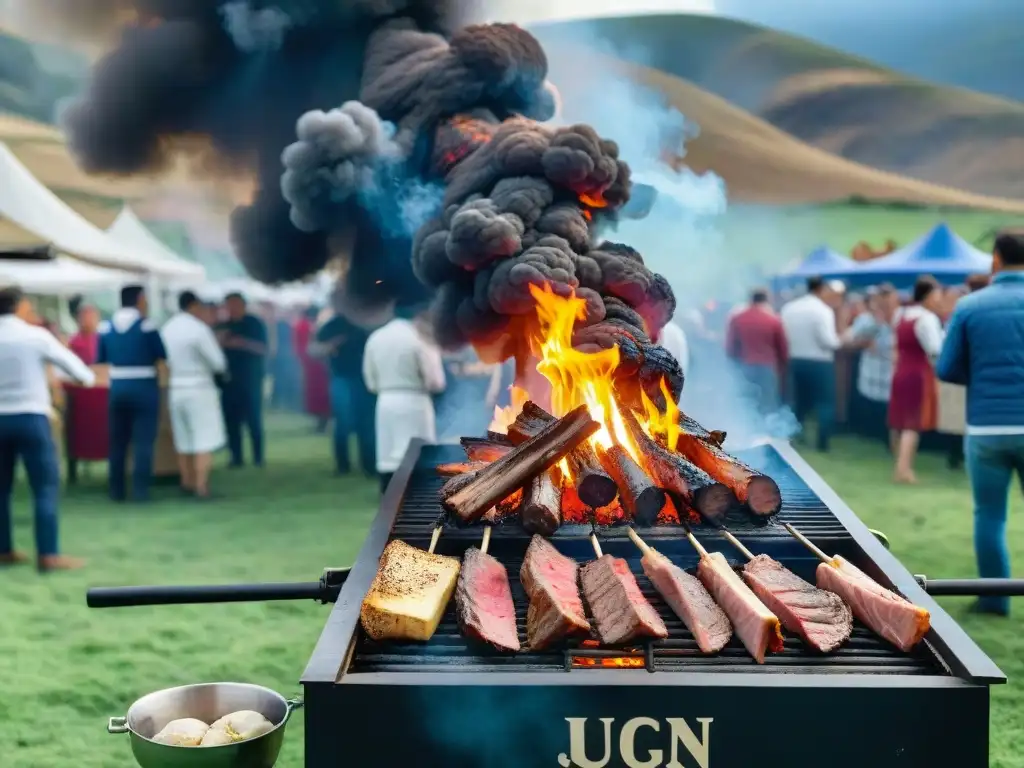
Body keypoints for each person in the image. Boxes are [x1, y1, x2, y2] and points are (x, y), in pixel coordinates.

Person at [936, 232, 1024, 616]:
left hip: (986, 427)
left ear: (996, 260)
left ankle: (995, 598)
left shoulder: (970, 305)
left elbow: (946, 367)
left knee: (989, 515)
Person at [0, 286, 94, 571]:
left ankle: (4, 549)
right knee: (44, 486)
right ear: (20, 306)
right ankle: (48, 554)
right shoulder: (35, 336)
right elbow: (80, 373)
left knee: (1, 489)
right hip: (31, 417)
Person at [362, 304, 446, 493]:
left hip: (386, 401)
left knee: (388, 457)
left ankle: (388, 503)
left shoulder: (376, 337)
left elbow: (370, 381)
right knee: (418, 457)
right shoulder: (421, 338)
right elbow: (436, 381)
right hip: (416, 402)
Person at [98, 285, 167, 503]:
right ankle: (140, 491)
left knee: (117, 441)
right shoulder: (147, 325)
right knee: (143, 441)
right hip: (144, 384)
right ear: (139, 299)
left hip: (117, 385)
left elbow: (100, 359)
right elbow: (162, 355)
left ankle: (116, 490)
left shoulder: (106, 327)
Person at [161, 291, 228, 499]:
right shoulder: (199, 330)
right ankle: (201, 486)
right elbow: (218, 363)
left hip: (175, 387)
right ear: (194, 306)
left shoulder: (167, 329)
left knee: (183, 440)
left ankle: (186, 481)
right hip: (199, 387)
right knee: (203, 439)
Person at [888, 275, 945, 484]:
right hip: (918, 373)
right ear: (928, 295)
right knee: (912, 423)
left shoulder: (900, 314)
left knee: (899, 420)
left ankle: (898, 463)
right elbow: (935, 349)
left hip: (900, 370)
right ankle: (904, 469)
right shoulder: (927, 318)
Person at [311, 309, 375, 476]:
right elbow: (314, 350)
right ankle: (343, 465)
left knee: (366, 423)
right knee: (343, 422)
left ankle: (369, 464)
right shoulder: (334, 325)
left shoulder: (368, 322)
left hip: (365, 379)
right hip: (342, 377)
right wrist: (332, 345)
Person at [780, 276, 841, 451]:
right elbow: (828, 341)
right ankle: (822, 442)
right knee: (824, 402)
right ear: (821, 289)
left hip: (795, 359)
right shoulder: (822, 310)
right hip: (820, 362)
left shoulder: (789, 308)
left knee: (798, 401)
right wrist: (840, 341)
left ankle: (795, 437)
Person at [216, 292, 268, 468]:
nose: (232, 309)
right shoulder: (222, 326)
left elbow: (264, 348)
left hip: (251, 379)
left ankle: (258, 457)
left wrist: (243, 343)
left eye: (235, 305)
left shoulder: (254, 324)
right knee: (231, 421)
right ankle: (236, 457)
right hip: (229, 381)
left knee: (253, 419)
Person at [842, 284, 898, 445]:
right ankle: (869, 434)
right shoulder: (867, 319)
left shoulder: (899, 318)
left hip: (890, 369)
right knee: (871, 404)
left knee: (889, 406)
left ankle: (887, 439)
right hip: (872, 370)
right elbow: (850, 339)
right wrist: (864, 339)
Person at [726, 288, 788, 414]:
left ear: (751, 300)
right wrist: (782, 368)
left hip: (745, 366)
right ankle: (767, 430)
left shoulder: (738, 319)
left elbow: (730, 347)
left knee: (747, 401)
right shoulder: (773, 320)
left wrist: (736, 364)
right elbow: (782, 349)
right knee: (767, 402)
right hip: (767, 367)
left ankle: (748, 429)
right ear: (767, 300)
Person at [294, 306, 331, 432]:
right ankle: (322, 420)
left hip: (313, 365)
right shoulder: (307, 326)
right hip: (315, 364)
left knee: (318, 394)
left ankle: (322, 421)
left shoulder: (304, 326)